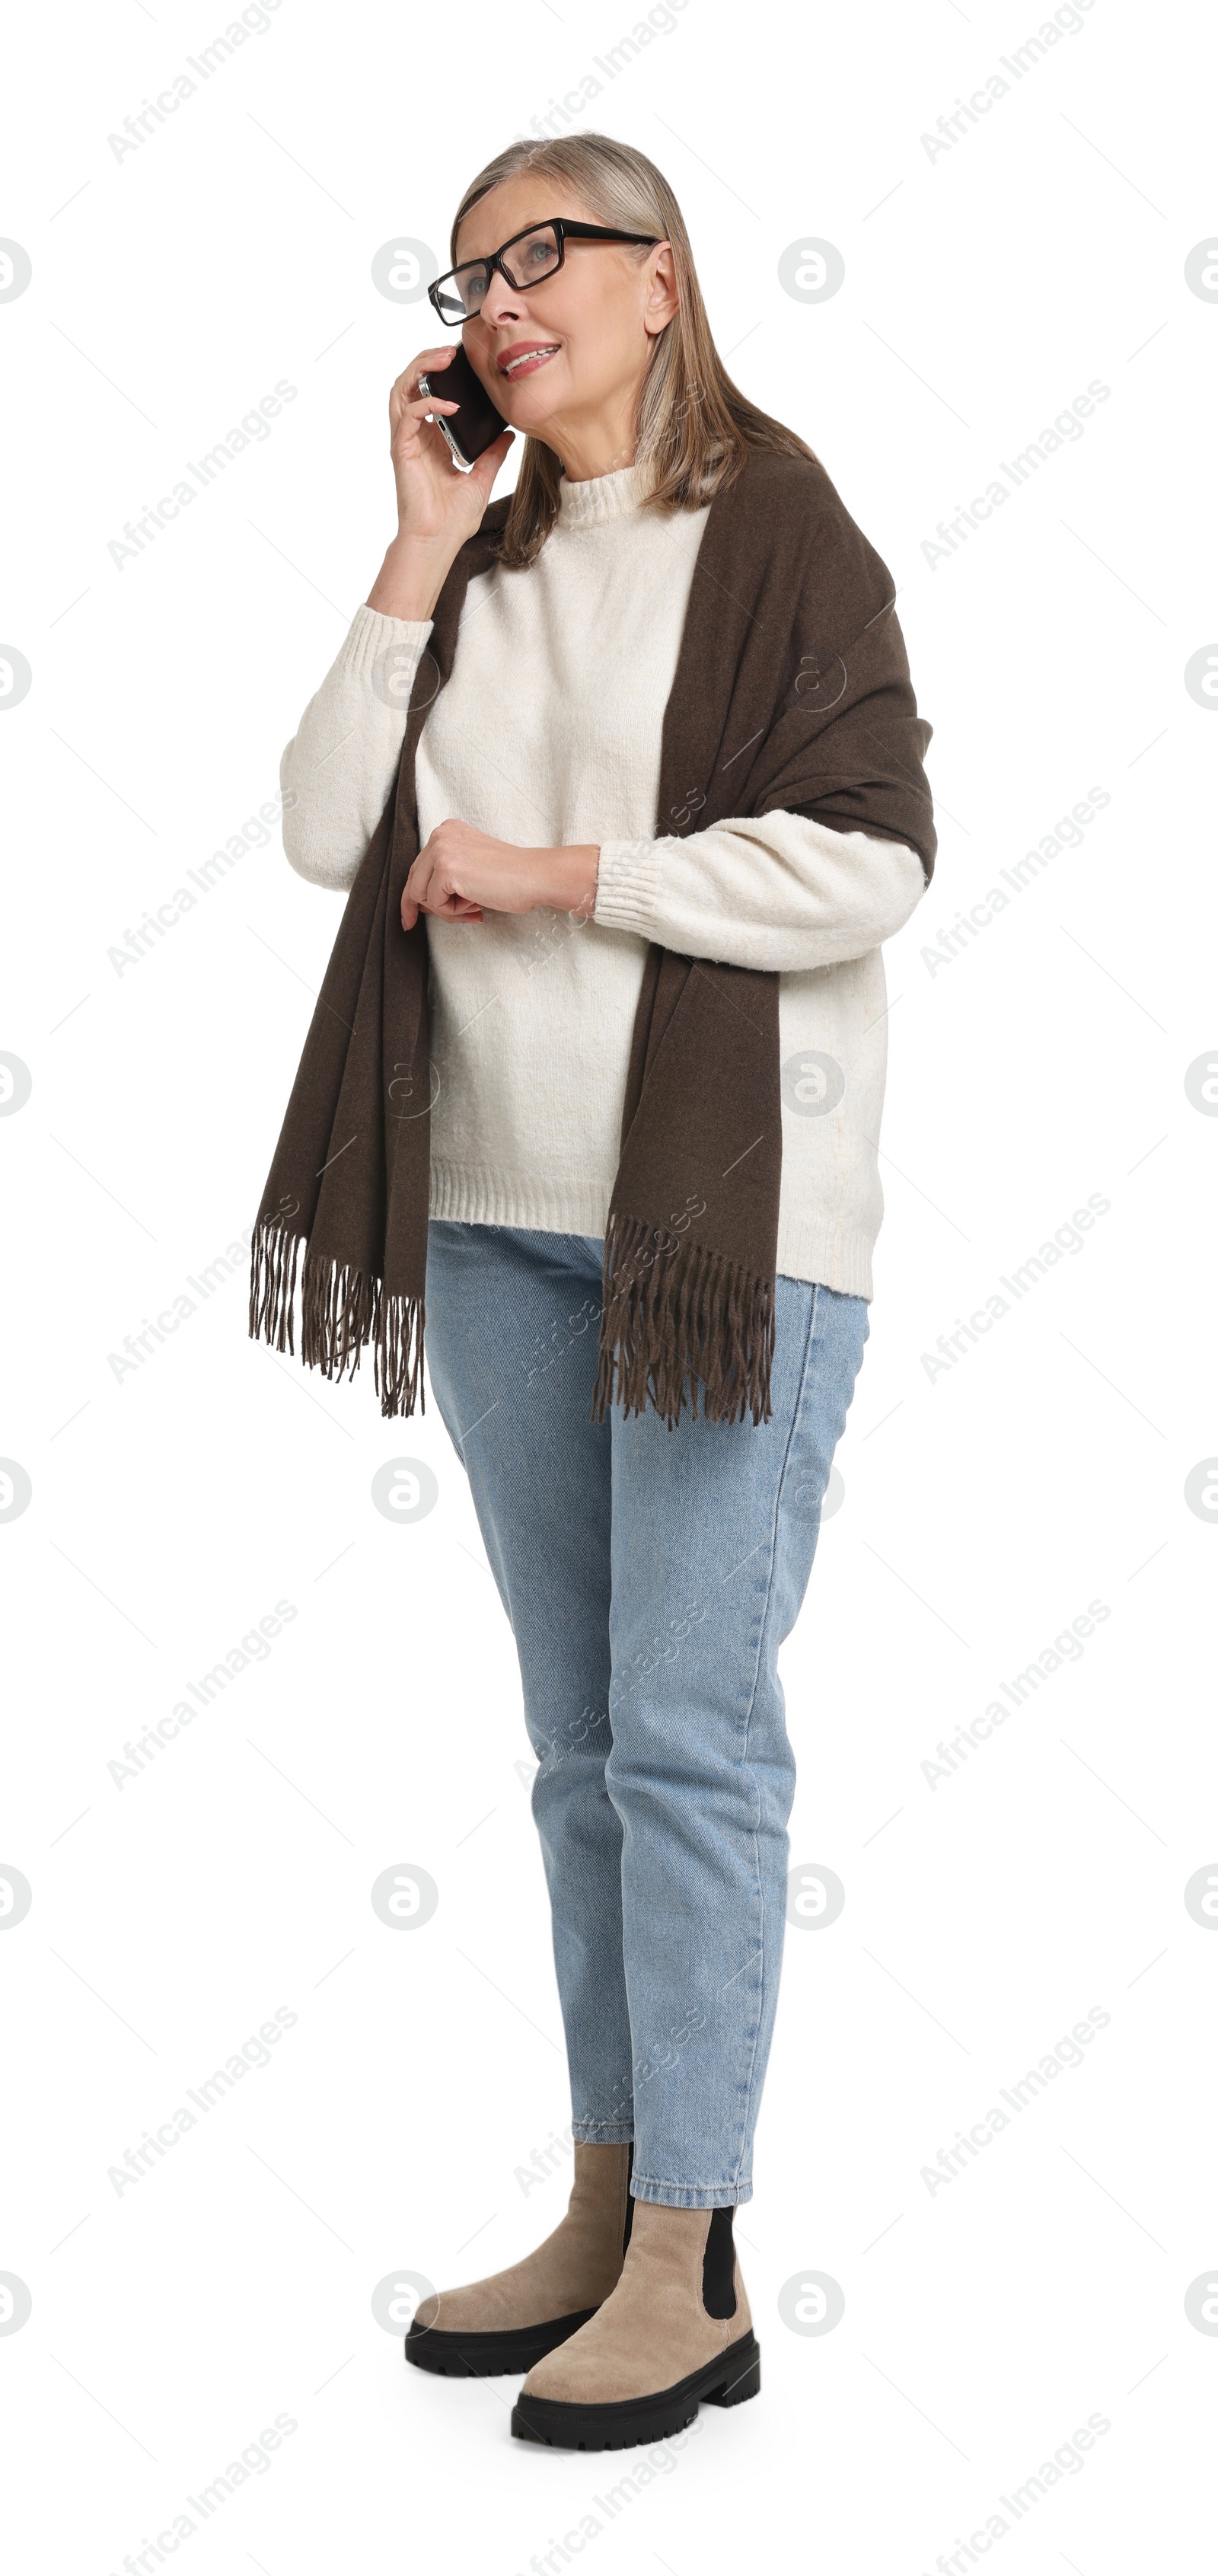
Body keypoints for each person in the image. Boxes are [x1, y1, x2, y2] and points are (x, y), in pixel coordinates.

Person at [269, 131, 936, 2452]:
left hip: (717, 1236)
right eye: (467, 274)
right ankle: (607, 2195)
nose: (497, 300)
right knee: (583, 1756)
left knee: (689, 1736)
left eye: (542, 253)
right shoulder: (486, 554)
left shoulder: (782, 533)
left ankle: (700, 2263)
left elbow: (864, 865)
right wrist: (417, 546)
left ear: (663, 279)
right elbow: (323, 830)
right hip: (491, 1213)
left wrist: (560, 877)